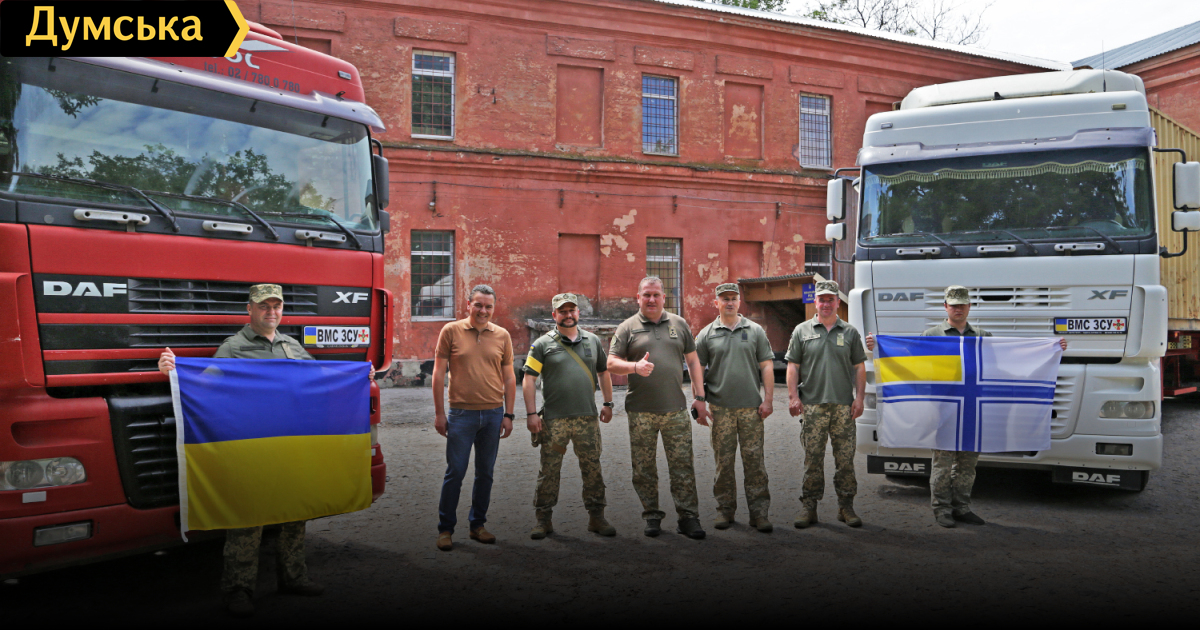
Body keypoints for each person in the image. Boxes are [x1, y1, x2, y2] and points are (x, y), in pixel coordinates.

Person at [158, 284, 326, 618]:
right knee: (248, 518)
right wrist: (174, 373)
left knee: (294, 514)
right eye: (264, 306)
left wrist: (358, 375)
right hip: (252, 445)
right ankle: (238, 590)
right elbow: (205, 386)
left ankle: (294, 578)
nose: (271, 312)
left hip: (289, 444)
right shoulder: (233, 347)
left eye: (277, 306)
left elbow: (320, 380)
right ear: (249, 310)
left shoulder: (292, 345)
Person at [865, 285, 1067, 528]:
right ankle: (941, 509)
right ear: (945, 307)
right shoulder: (932, 335)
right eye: (953, 305)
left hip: (973, 409)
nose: (958, 309)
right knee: (942, 463)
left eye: (962, 305)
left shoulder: (982, 336)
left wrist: (1052, 348)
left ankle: (961, 507)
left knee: (968, 464)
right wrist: (878, 345)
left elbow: (1000, 365)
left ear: (969, 307)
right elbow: (909, 360)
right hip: (943, 409)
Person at [608, 276, 710, 539]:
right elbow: (611, 362)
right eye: (646, 295)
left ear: (664, 297)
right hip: (640, 411)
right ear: (638, 298)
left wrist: (700, 397)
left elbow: (693, 361)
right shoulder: (627, 327)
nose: (651, 299)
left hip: (675, 409)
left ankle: (688, 518)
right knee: (643, 468)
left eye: (656, 295)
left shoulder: (679, 324)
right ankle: (651, 516)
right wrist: (634, 367)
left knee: (682, 466)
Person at [522, 293, 616, 539]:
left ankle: (597, 517)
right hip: (554, 420)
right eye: (562, 311)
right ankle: (543, 520)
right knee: (549, 470)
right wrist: (531, 414)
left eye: (571, 310)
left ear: (578, 313)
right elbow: (529, 379)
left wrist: (608, 403)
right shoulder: (542, 344)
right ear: (554, 315)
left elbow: (603, 372)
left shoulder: (593, 341)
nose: (568, 315)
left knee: (592, 467)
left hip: (587, 418)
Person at [432, 285, 516, 551]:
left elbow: (509, 377)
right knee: (455, 472)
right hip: (461, 414)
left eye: (488, 306)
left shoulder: (502, 335)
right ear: (468, 305)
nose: (483, 310)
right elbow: (438, 373)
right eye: (478, 305)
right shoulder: (451, 331)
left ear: (494, 308)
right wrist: (439, 413)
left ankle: (477, 525)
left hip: (493, 413)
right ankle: (445, 529)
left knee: (485, 473)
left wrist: (509, 414)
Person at [694, 283, 775, 533]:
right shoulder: (706, 334)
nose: (729, 302)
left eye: (733, 298)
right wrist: (699, 400)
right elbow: (697, 369)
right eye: (724, 298)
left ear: (739, 302)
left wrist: (768, 400)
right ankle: (724, 510)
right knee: (723, 463)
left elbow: (766, 365)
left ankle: (759, 514)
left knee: (755, 463)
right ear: (716, 302)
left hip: (751, 409)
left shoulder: (755, 331)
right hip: (720, 409)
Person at [786, 280, 867, 529]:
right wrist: (793, 397)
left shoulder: (850, 332)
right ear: (815, 302)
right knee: (812, 460)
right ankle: (809, 507)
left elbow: (859, 367)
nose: (826, 304)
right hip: (813, 406)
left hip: (844, 407)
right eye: (822, 299)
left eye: (831, 299)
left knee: (845, 460)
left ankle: (846, 507)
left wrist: (860, 398)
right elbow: (793, 366)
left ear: (838, 302)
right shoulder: (801, 331)